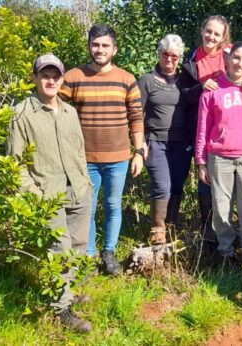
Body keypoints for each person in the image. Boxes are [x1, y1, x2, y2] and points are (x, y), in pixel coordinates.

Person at [7, 53, 94, 333]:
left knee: (79, 245)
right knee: (59, 250)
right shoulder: (22, 114)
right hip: (48, 195)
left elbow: (79, 150)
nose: (51, 80)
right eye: (45, 75)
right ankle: (62, 310)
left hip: (78, 190)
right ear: (34, 78)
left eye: (55, 75)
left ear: (62, 78)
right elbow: (15, 164)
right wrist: (35, 194)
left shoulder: (69, 112)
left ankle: (70, 292)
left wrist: (86, 183)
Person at [59, 24, 145, 276]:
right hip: (84, 159)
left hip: (118, 158)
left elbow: (136, 118)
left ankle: (109, 253)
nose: (100, 49)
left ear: (114, 49)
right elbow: (55, 108)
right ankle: (88, 256)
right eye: (95, 45)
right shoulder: (74, 77)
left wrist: (138, 152)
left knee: (113, 205)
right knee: (87, 208)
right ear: (89, 46)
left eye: (105, 45)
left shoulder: (126, 79)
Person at [194, 42, 242, 262]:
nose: (240, 63)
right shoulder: (212, 90)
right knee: (221, 207)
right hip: (218, 158)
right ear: (228, 59)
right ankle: (225, 252)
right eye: (237, 57)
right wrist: (201, 162)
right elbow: (202, 128)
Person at [182, 15, 234, 248]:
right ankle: (208, 235)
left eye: (217, 33)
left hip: (227, 127)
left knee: (227, 183)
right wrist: (201, 87)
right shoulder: (192, 57)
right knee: (205, 179)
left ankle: (228, 233)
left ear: (224, 37)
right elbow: (183, 93)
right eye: (208, 31)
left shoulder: (229, 55)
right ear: (202, 30)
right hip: (201, 125)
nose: (211, 37)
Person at [138, 34, 195, 244]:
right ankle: (158, 228)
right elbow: (136, 113)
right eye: (165, 55)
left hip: (182, 143)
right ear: (159, 54)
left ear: (180, 57)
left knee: (177, 186)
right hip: (155, 141)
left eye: (174, 56)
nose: (169, 60)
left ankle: (172, 226)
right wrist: (140, 143)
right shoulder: (146, 80)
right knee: (162, 185)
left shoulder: (186, 81)